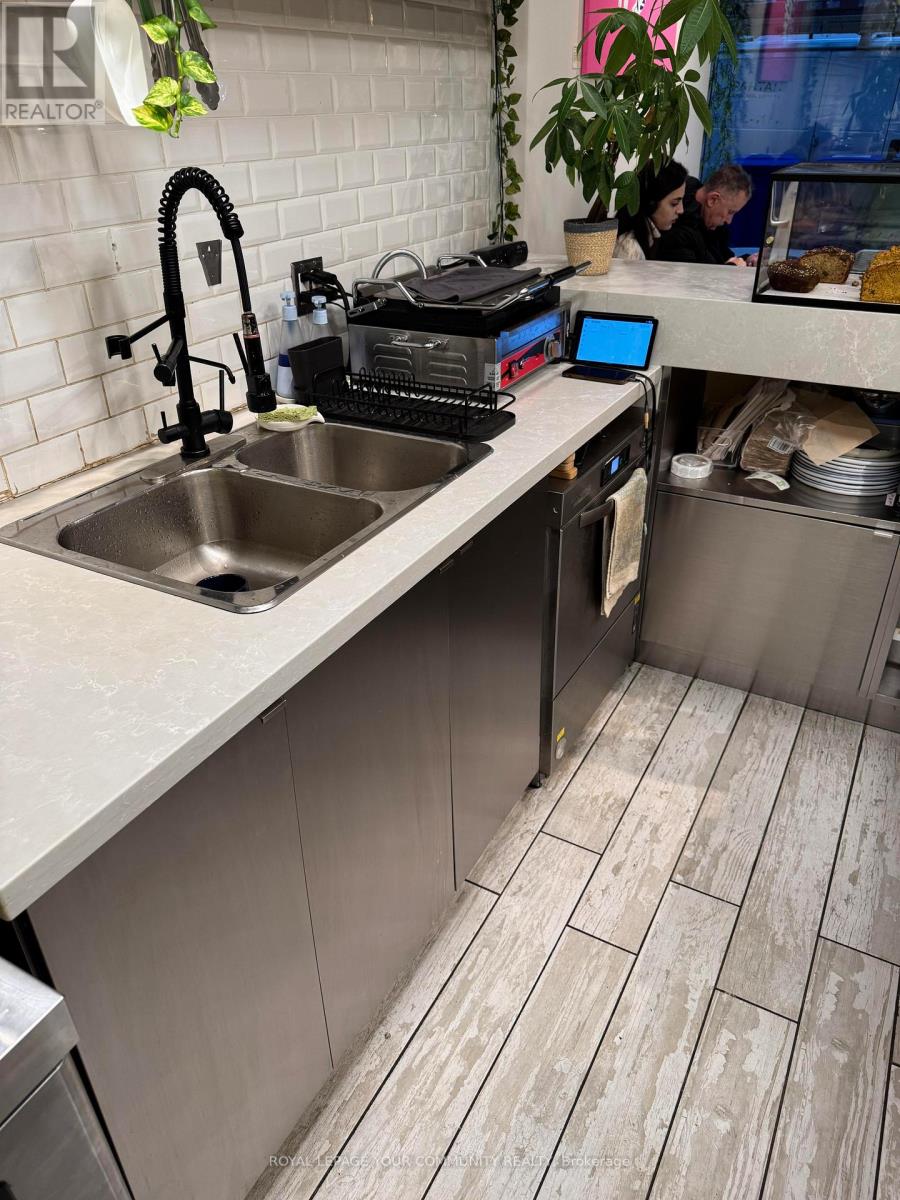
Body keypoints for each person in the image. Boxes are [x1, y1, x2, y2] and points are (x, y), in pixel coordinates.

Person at [655, 164, 753, 266]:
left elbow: (724, 258)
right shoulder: (679, 229)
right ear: (712, 200)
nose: (729, 221)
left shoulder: (711, 225)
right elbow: (688, 272)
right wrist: (732, 267)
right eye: (730, 212)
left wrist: (747, 260)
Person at [613, 161, 688, 261]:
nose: (681, 210)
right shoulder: (630, 250)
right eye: (674, 203)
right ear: (651, 203)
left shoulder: (648, 234)